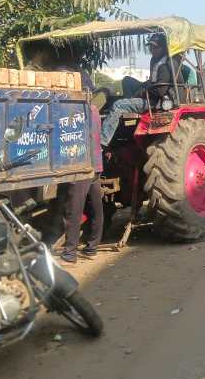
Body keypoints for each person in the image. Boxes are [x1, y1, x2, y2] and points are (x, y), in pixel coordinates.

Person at [100, 32, 174, 146]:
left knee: (118, 105)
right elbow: (152, 81)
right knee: (127, 81)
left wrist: (143, 92)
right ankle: (129, 105)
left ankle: (102, 143)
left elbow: (160, 90)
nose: (152, 49)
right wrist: (143, 86)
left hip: (154, 101)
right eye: (151, 47)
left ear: (163, 48)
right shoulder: (155, 60)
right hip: (149, 92)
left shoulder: (165, 64)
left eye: (155, 47)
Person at [60, 104, 104, 264]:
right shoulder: (94, 109)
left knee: (74, 208)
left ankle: (70, 253)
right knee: (95, 206)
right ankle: (92, 247)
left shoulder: (74, 111)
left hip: (81, 163)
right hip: (96, 163)